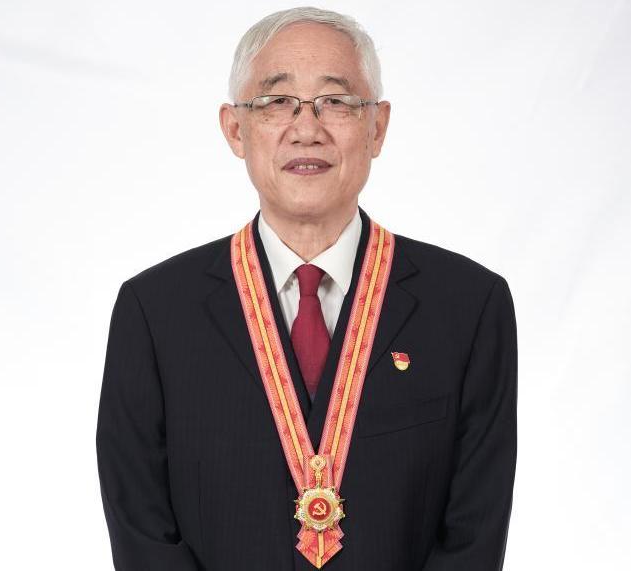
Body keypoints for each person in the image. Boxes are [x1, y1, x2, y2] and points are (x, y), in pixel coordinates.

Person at [95, 6, 518, 571]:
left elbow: (474, 533)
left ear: (378, 127)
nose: (307, 128)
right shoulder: (154, 312)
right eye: (277, 101)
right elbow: (141, 526)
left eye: (336, 101)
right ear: (235, 128)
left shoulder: (468, 307)